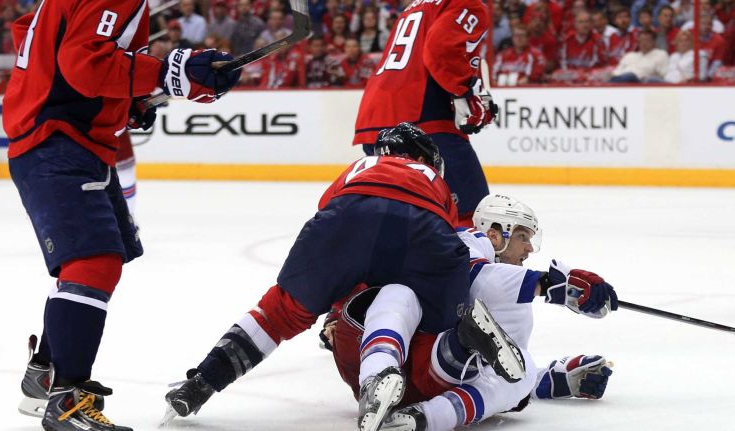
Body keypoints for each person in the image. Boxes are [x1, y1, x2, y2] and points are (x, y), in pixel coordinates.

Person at [162, 123, 499, 431]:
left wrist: (337, 310)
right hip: (423, 225)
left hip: (345, 215)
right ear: (424, 157)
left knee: (279, 312)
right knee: (432, 337)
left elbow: (338, 233)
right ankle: (463, 339)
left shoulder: (355, 169)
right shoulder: (432, 179)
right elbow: (449, 240)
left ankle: (204, 380)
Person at [4, 1, 240, 429]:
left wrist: (131, 100)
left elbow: (38, 41)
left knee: (92, 263)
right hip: (59, 140)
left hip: (66, 137)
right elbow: (84, 63)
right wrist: (171, 71)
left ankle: (45, 374)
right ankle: (67, 399)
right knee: (93, 263)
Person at [326, 193, 618, 431]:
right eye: (522, 237)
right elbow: (474, 278)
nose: (529, 248)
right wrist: (549, 284)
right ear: (494, 234)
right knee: (402, 294)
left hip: (421, 381)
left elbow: (503, 374)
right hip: (367, 343)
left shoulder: (515, 303)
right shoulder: (463, 241)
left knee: (522, 366)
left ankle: (420, 419)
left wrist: (552, 381)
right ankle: (378, 378)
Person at [352, 0, 499, 227]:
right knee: (470, 218)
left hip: (375, 116)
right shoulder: (467, 3)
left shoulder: (414, 6)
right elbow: (440, 50)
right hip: (422, 116)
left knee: (396, 222)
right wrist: (464, 92)